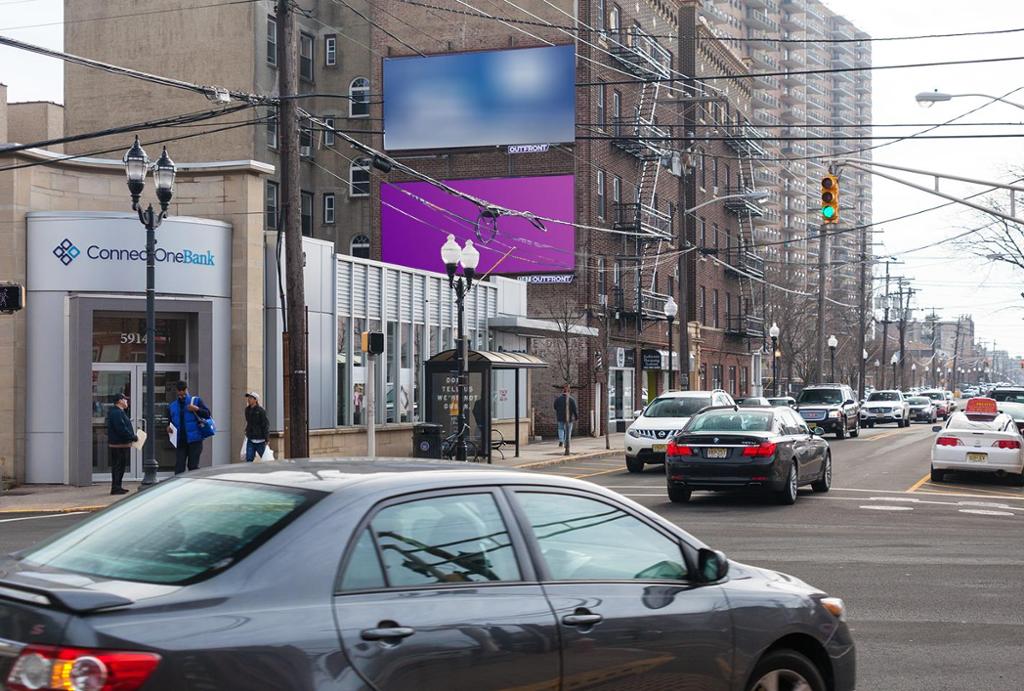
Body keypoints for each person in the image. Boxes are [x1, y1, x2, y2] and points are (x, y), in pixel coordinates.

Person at [167, 380, 211, 474]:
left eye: (183, 393)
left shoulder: (196, 401)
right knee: (179, 467)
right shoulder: (172, 406)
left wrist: (196, 408)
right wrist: (168, 428)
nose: (182, 396)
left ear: (186, 390)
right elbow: (170, 421)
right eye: (180, 394)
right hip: (180, 440)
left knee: (193, 466)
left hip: (195, 440)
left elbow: (207, 414)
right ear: (177, 391)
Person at [106, 393, 136, 495]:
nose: (127, 401)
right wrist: (132, 437)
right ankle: (116, 487)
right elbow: (121, 428)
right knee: (118, 466)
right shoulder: (116, 413)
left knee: (120, 466)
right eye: (125, 399)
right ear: (120, 401)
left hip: (120, 444)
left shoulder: (119, 412)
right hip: (118, 445)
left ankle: (118, 486)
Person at [244, 391, 270, 462]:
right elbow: (248, 422)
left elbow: (265, 424)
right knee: (249, 459)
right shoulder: (247, 410)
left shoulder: (261, 411)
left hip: (260, 440)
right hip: (250, 439)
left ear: (255, 400)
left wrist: (267, 438)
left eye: (250, 398)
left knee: (266, 459)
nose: (248, 399)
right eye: (248, 398)